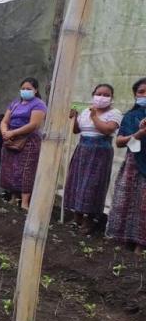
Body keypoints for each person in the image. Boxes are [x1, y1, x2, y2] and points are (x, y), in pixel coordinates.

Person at [64, 84, 122, 232]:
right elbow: (77, 130)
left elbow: (107, 129)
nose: (102, 97)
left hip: (99, 153)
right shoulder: (85, 111)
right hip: (82, 150)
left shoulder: (114, 113)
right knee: (77, 182)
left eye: (106, 95)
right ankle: (76, 217)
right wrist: (75, 118)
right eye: (99, 94)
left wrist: (94, 116)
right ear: (93, 95)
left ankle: (88, 221)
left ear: (111, 98)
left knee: (92, 185)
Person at [106, 78, 146, 253]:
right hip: (133, 164)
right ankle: (124, 239)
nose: (144, 95)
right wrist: (139, 132)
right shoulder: (131, 116)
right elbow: (120, 142)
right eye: (141, 92)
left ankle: (141, 244)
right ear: (135, 95)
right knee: (127, 202)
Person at [0, 77, 48, 210]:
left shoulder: (39, 104)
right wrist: (5, 133)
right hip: (11, 139)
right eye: (23, 88)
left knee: (26, 170)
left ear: (36, 90)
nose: (25, 91)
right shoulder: (15, 103)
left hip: (29, 141)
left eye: (29, 89)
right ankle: (14, 198)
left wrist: (13, 133)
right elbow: (4, 121)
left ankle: (25, 203)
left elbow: (34, 124)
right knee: (11, 169)